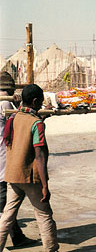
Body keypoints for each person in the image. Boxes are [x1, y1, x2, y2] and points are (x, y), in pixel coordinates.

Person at [0, 84, 59, 252]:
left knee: (7, 216)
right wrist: (45, 184)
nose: (41, 104)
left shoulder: (14, 117)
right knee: (44, 214)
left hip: (12, 175)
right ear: (34, 101)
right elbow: (39, 155)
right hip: (29, 176)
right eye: (40, 102)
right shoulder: (36, 124)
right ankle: (51, 249)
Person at [0, 72, 37, 248]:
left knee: (6, 206)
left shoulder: (5, 103)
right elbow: (22, 121)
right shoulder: (5, 103)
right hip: (3, 163)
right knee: (6, 207)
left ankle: (17, 237)